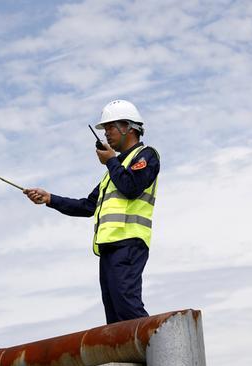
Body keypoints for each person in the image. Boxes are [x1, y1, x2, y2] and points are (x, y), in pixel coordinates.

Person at [23, 100, 160, 324]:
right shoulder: (113, 170)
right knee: (115, 314)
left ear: (128, 126)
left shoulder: (145, 156)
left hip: (128, 244)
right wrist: (50, 199)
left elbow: (132, 187)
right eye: (104, 129)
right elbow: (88, 206)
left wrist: (111, 162)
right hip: (109, 248)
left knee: (127, 307)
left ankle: (158, 352)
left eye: (110, 127)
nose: (106, 134)